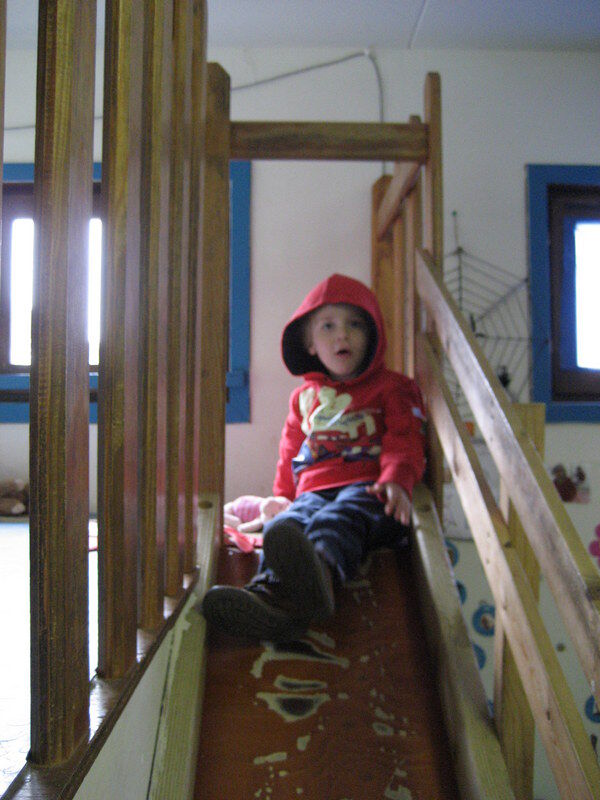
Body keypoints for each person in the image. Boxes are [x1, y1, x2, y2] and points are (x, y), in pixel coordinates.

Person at [202, 273, 426, 642]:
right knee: (286, 526)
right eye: (328, 326)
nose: (342, 335)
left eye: (355, 324)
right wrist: (283, 497)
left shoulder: (392, 387)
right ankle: (267, 597)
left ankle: (320, 574)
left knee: (337, 519)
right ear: (309, 343)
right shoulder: (304, 398)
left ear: (373, 334)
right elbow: (290, 450)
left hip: (369, 489)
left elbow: (405, 436)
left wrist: (397, 479)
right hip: (313, 492)